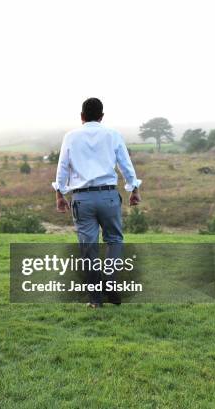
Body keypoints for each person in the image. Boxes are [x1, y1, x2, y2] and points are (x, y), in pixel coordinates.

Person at [53, 98, 142, 308]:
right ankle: (110, 282)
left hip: (82, 199)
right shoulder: (113, 135)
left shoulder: (71, 137)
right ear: (102, 116)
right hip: (109, 196)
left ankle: (95, 301)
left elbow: (63, 168)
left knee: (88, 248)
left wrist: (60, 193)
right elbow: (125, 165)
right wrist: (134, 189)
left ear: (81, 116)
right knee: (114, 241)